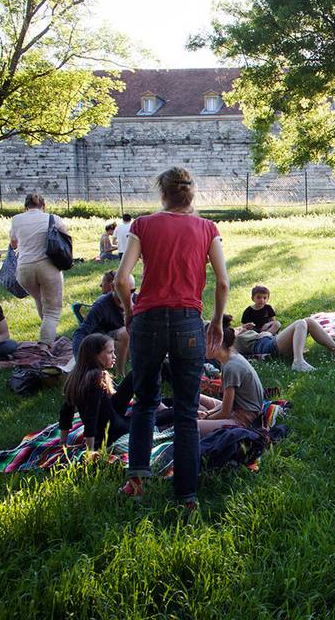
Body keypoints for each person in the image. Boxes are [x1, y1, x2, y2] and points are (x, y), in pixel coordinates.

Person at [115, 166, 229, 508]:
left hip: (147, 320)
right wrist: (217, 322)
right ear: (191, 194)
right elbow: (222, 282)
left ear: (162, 193)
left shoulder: (143, 225)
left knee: (146, 401)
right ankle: (186, 497)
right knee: (185, 410)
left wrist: (128, 311)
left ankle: (135, 480)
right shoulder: (208, 228)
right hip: (188, 323)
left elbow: (123, 279)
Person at [9, 193, 68, 347]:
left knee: (39, 299)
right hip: (48, 267)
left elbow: (14, 244)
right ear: (44, 206)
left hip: (24, 269)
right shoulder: (54, 218)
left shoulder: (16, 219)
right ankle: (45, 344)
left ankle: (48, 332)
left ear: (25, 207)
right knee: (52, 310)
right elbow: (66, 238)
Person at [59, 333, 133, 450]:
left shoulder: (77, 375)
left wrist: (62, 442)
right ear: (94, 356)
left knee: (135, 375)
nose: (115, 356)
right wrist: (90, 450)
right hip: (112, 431)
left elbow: (66, 412)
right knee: (153, 418)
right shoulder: (96, 378)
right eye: (110, 353)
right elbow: (90, 417)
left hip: (111, 412)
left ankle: (159, 403)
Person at [197, 316, 266, 437]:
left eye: (202, 342)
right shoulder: (229, 358)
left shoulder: (231, 367)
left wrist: (205, 419)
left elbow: (225, 412)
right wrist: (208, 414)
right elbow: (227, 404)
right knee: (193, 397)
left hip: (243, 418)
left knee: (190, 427)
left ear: (216, 341)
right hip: (236, 409)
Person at [234, 315, 335, 371]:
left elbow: (276, 325)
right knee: (300, 323)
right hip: (268, 348)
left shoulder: (241, 332)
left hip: (271, 341)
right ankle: (298, 362)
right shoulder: (232, 341)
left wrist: (264, 330)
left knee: (309, 321)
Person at [72, 274, 134, 375]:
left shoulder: (137, 300)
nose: (129, 295)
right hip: (105, 347)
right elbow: (81, 332)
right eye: (124, 291)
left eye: (132, 291)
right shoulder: (102, 304)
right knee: (125, 333)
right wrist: (79, 360)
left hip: (131, 347)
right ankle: (119, 375)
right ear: (113, 287)